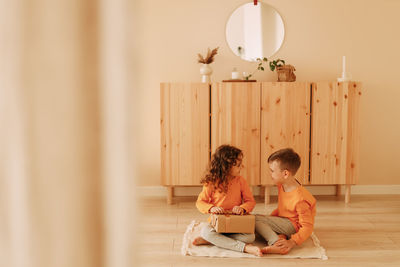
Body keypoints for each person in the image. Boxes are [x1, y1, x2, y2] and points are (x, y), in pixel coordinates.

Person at [192, 144, 262, 256]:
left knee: (250, 237)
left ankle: (212, 240)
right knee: (206, 231)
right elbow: (200, 202)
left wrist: (242, 208)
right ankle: (244, 248)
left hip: (236, 222)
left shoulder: (241, 181)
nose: (241, 167)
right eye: (238, 165)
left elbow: (250, 201)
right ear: (226, 166)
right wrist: (212, 208)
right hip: (217, 223)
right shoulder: (211, 181)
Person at [256, 148, 316, 255]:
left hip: (293, 226)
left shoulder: (300, 199)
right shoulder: (282, 185)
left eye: (272, 171)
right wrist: (270, 218)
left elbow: (307, 226)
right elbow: (283, 208)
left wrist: (292, 242)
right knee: (261, 221)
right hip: (284, 221)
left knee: (254, 219)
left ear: (285, 174)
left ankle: (274, 242)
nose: (270, 174)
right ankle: (279, 243)